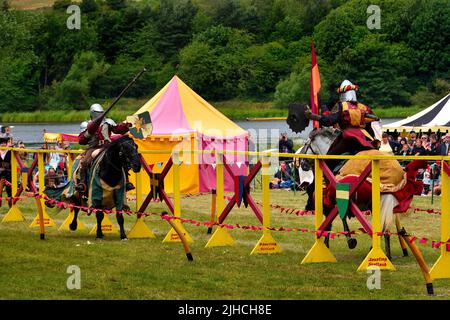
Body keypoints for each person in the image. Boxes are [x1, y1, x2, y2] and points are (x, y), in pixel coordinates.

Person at [305, 79, 379, 170]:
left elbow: (329, 121)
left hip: (348, 139)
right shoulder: (363, 107)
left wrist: (313, 116)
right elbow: (369, 128)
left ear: (343, 94)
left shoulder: (342, 106)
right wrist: (373, 140)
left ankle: (329, 181)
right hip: (364, 138)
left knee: (327, 160)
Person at [76, 103, 133, 193]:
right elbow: (81, 140)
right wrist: (89, 131)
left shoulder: (108, 122)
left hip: (108, 146)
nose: (99, 114)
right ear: (92, 113)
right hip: (93, 148)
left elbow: (118, 129)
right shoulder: (86, 124)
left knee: (120, 158)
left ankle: (126, 182)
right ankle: (83, 183)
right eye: (97, 112)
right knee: (85, 161)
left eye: (101, 112)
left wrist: (126, 125)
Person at [0, 137, 12, 207]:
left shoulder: (10, 151)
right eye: (1, 143)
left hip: (8, 173)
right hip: (0, 174)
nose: (3, 144)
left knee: (9, 190)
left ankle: (11, 205)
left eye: (4, 143)